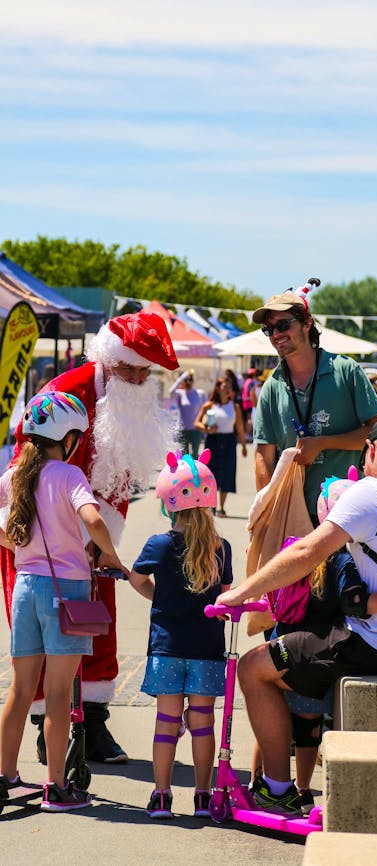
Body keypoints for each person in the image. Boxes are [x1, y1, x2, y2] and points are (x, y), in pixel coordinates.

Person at [0, 310, 179, 764]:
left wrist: (101, 542)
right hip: (42, 541)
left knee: (96, 625)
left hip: (93, 535)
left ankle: (92, 725)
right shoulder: (66, 395)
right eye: (128, 369)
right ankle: (48, 734)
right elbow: (24, 473)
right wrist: (78, 537)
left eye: (144, 372)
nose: (137, 379)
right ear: (106, 359)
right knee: (46, 647)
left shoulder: (128, 399)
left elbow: (119, 476)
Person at [216, 415, 377, 815]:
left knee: (253, 667)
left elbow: (305, 553)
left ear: (370, 451)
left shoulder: (370, 494)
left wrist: (242, 593)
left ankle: (278, 790)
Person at [0, 391, 128, 811]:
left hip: (25, 587)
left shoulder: (14, 475)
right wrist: (110, 555)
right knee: (58, 694)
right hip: (66, 589)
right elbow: (93, 519)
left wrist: (15, 543)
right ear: (68, 438)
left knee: (21, 690)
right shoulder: (70, 475)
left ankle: (5, 777)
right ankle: (56, 787)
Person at [129, 449, 233, 819]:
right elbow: (224, 596)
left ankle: (161, 796)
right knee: (203, 722)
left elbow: (136, 579)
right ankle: (203, 797)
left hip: (167, 649)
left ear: (168, 502)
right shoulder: (221, 548)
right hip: (206, 648)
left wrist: (161, 597)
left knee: (167, 722)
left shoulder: (158, 545)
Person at [252, 280, 377, 523]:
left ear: (307, 323)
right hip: (292, 515)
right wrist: (265, 516)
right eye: (269, 330)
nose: (276, 334)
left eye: (283, 325)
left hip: (349, 513)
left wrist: (322, 443)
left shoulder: (346, 371)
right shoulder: (272, 386)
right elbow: (263, 457)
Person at [194, 376, 247, 517]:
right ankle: (211, 505)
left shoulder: (235, 407)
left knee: (227, 473)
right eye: (225, 386)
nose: (228, 389)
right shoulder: (209, 405)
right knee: (210, 474)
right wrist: (206, 428)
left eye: (230, 387)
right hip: (213, 440)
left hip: (229, 441)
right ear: (218, 388)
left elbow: (240, 427)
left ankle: (221, 507)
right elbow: (196, 423)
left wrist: (243, 445)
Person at [168, 369, 207, 459]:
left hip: (195, 430)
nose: (188, 382)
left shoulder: (200, 393)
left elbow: (205, 410)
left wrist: (204, 424)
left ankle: (194, 469)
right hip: (183, 429)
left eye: (190, 379)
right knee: (184, 456)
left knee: (195, 455)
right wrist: (181, 378)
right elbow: (171, 392)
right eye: (186, 380)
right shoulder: (180, 393)